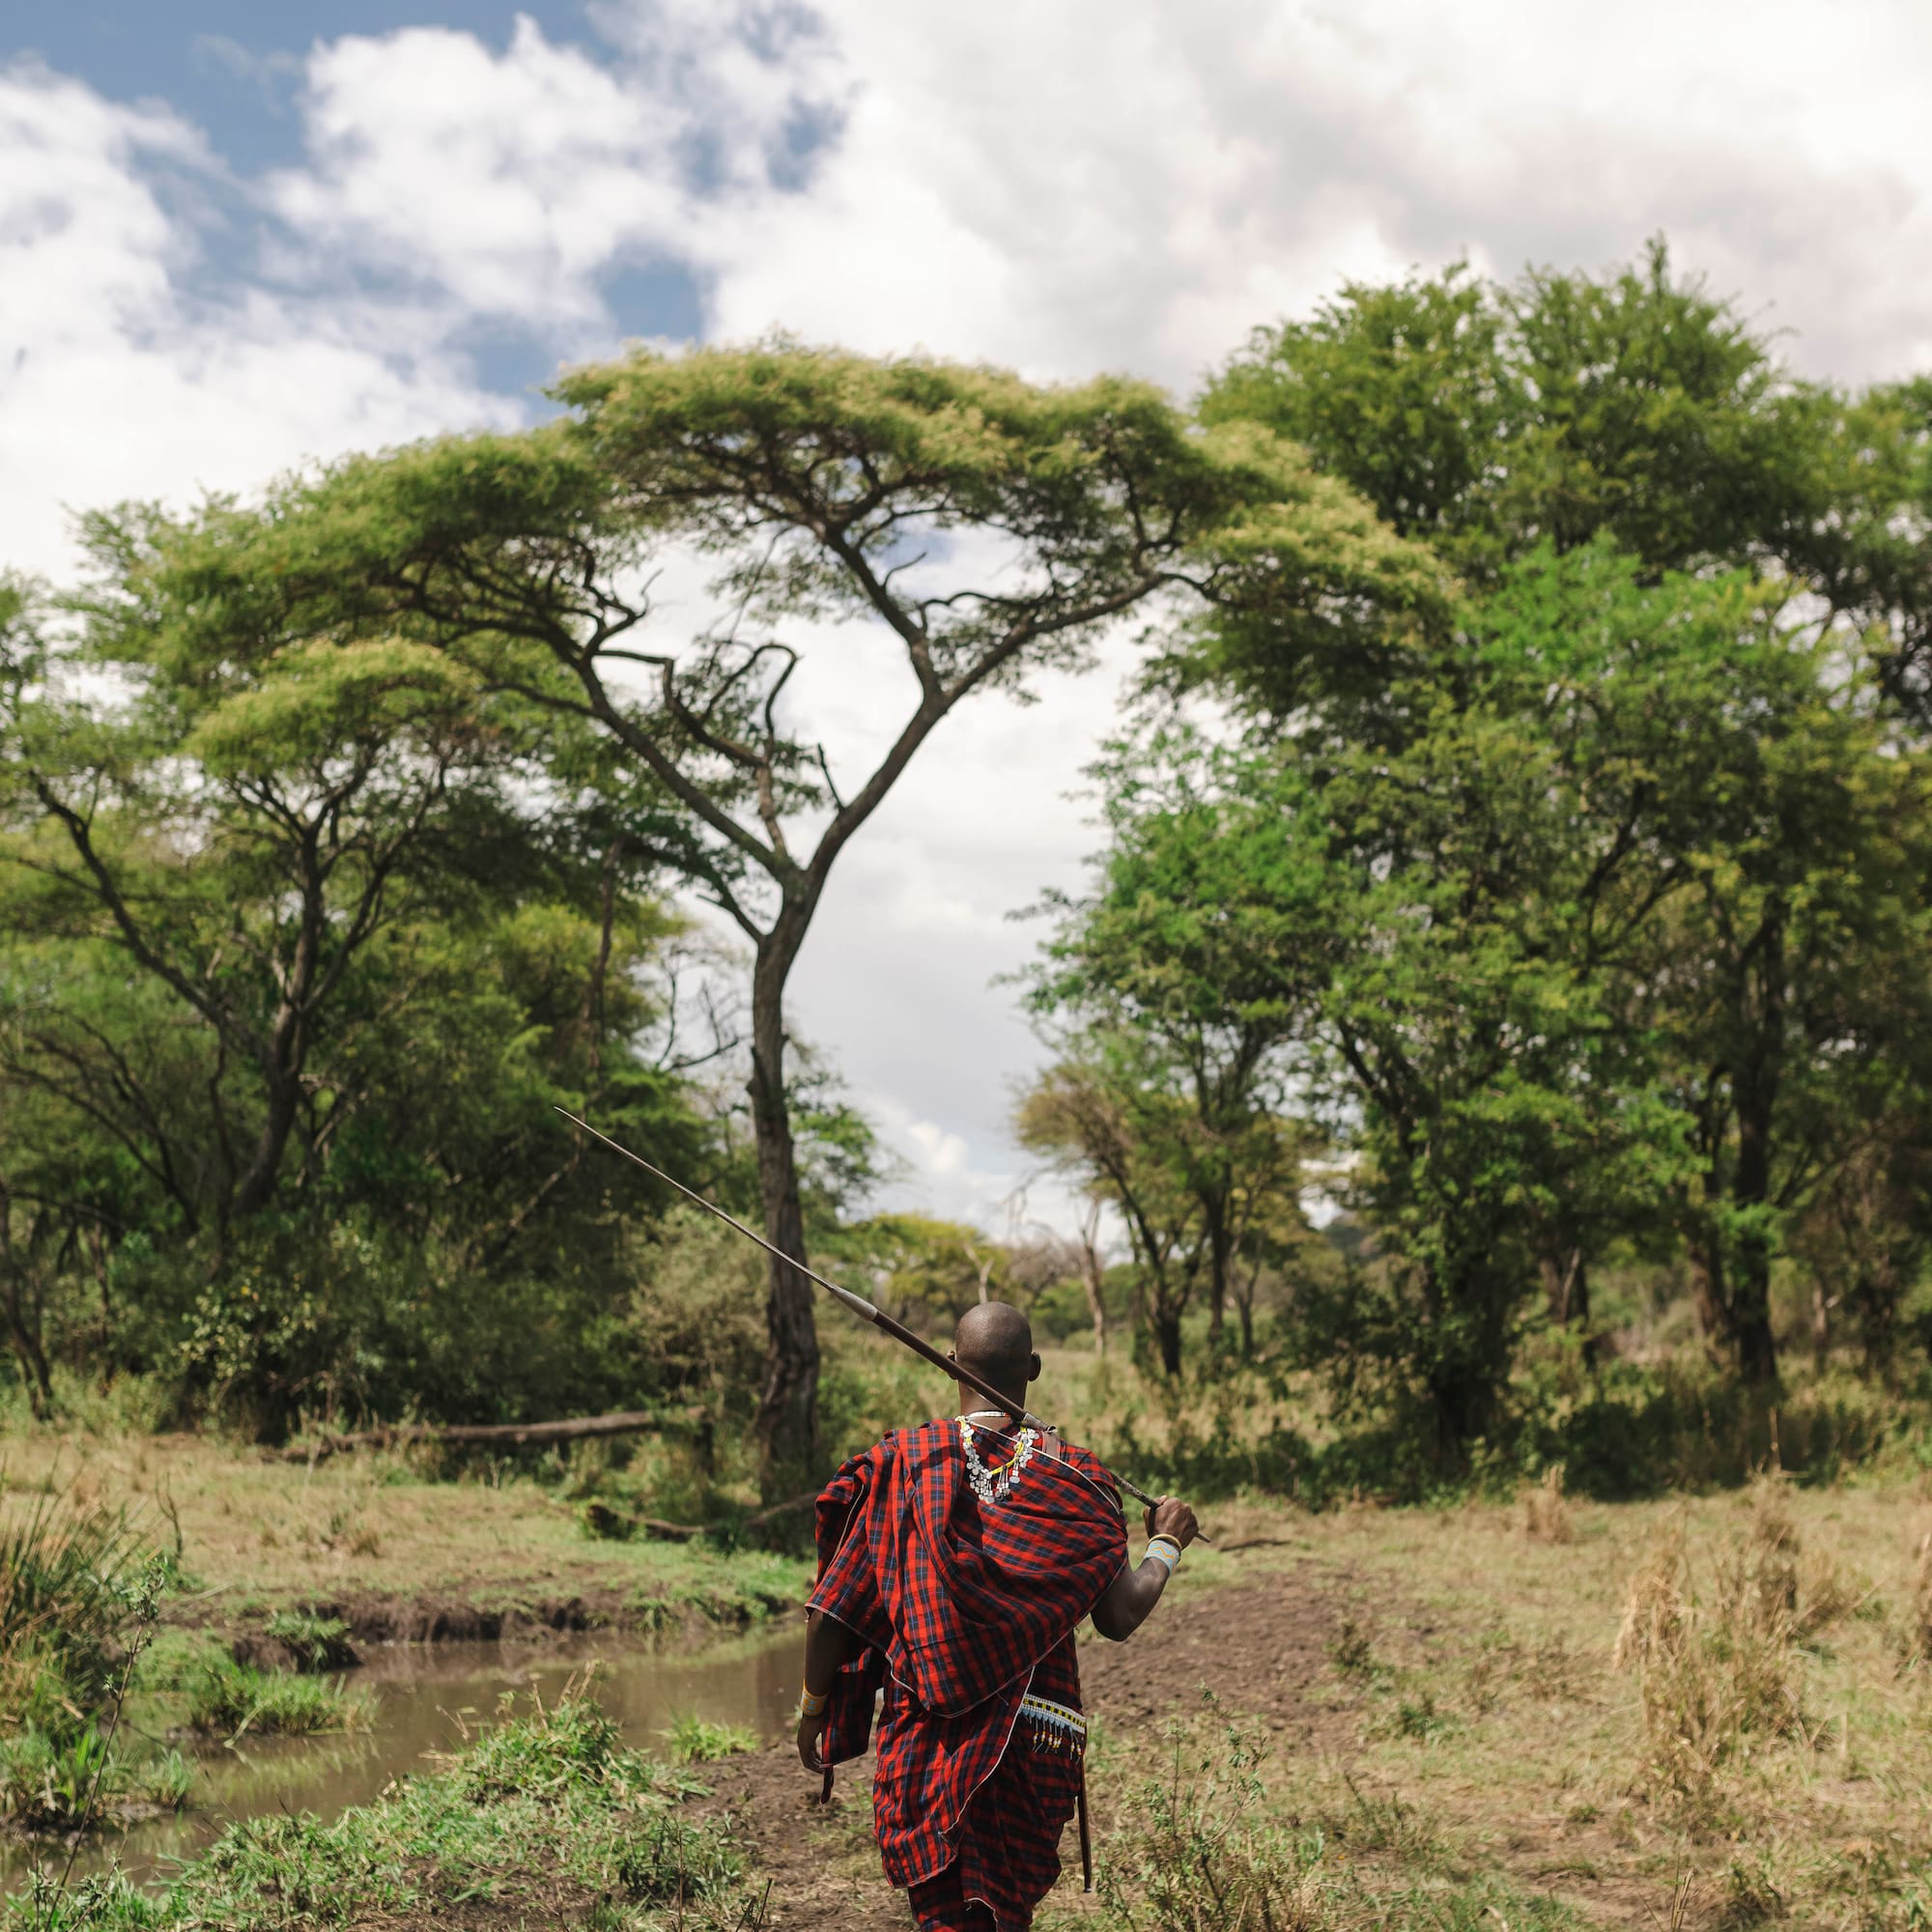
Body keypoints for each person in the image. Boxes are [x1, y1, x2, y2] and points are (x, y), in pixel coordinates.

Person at [795, 1300, 1201, 1932]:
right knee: (999, 1915)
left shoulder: (904, 1464)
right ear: (1033, 1368)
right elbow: (1119, 1616)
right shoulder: (1079, 1477)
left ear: (951, 1366)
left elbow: (832, 1613)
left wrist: (816, 1709)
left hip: (926, 1733)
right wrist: (1165, 1544)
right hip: (1032, 1741)